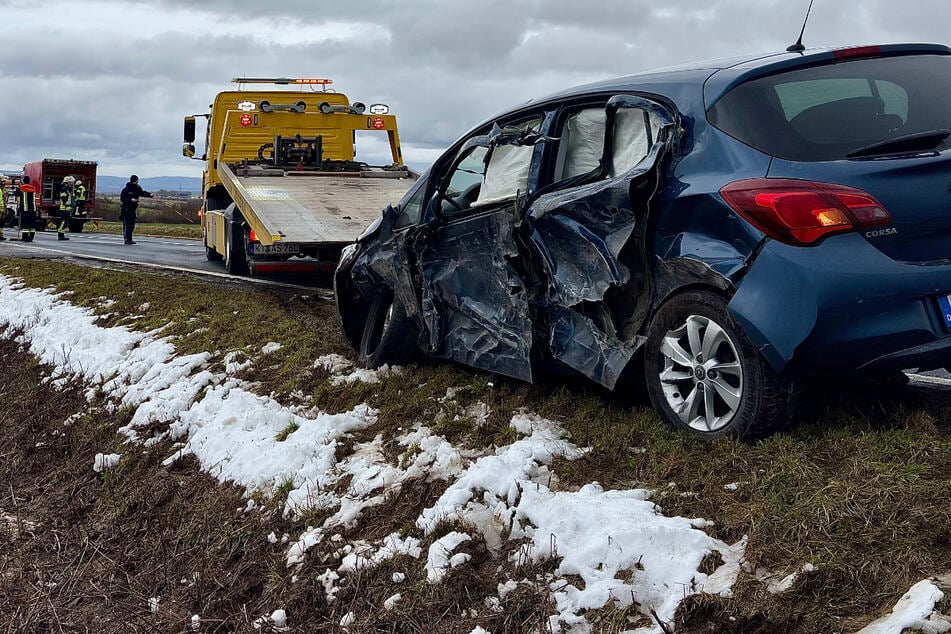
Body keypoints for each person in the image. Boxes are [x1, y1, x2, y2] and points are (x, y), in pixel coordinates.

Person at [119, 174, 153, 245]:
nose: (138, 182)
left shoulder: (137, 188)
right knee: (127, 225)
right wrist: (131, 200)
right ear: (135, 181)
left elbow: (142, 193)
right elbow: (123, 198)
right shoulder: (126, 189)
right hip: (126, 209)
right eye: (137, 181)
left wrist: (150, 195)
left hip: (133, 209)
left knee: (132, 225)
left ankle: (130, 239)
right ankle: (127, 239)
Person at [18, 175, 37, 243]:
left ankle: (25, 237)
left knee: (25, 224)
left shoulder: (21, 188)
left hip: (25, 209)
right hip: (33, 209)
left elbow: (16, 194)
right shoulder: (33, 188)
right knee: (32, 224)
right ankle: (31, 238)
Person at [57, 176, 74, 240]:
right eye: (70, 183)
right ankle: (60, 235)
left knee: (65, 222)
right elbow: (64, 199)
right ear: (66, 183)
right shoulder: (64, 189)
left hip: (66, 209)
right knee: (63, 222)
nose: (71, 184)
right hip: (64, 209)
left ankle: (62, 235)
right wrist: (67, 206)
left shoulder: (67, 189)